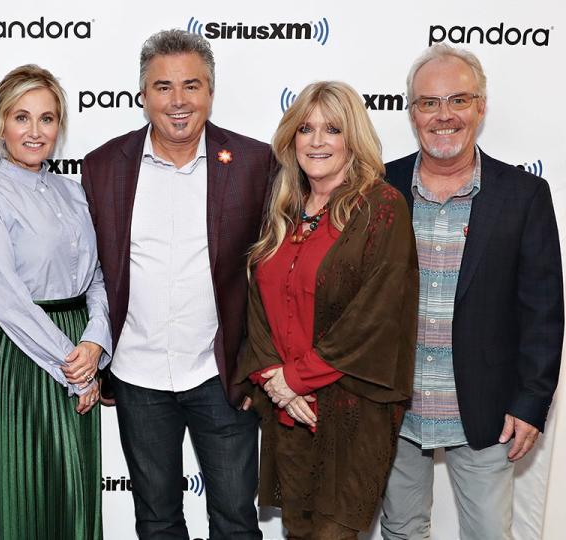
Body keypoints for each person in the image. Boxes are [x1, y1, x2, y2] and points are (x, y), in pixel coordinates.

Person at [81, 29, 275, 539]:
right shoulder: (103, 167)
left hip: (222, 375)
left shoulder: (255, 164)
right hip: (137, 374)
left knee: (236, 520)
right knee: (157, 519)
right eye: (163, 87)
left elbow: (270, 276)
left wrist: (258, 364)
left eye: (192, 85)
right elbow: (96, 272)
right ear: (142, 94)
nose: (178, 101)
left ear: (211, 91)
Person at [380, 44, 564, 540]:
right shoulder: (379, 186)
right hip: (393, 409)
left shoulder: (523, 195)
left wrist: (531, 403)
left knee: (488, 533)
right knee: (400, 531)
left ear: (481, 107)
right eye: (428, 103)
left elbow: (544, 312)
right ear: (411, 112)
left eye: (458, 100)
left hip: (486, 412)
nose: (444, 116)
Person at [237, 81, 418, 539]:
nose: (316, 141)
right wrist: (275, 380)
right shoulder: (285, 208)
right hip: (288, 412)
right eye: (306, 128)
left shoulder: (382, 207)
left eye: (332, 129)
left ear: (352, 138)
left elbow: (375, 315)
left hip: (350, 413)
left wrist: (294, 380)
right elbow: (258, 303)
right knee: (298, 532)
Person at [0, 64, 111, 540]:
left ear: (59, 127)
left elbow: (98, 278)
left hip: (80, 347)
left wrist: (95, 343)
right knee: (31, 487)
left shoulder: (74, 193)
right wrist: (72, 366)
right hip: (24, 354)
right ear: (1, 124)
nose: (34, 131)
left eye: (46, 119)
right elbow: (7, 302)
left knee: (76, 491)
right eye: (21, 117)